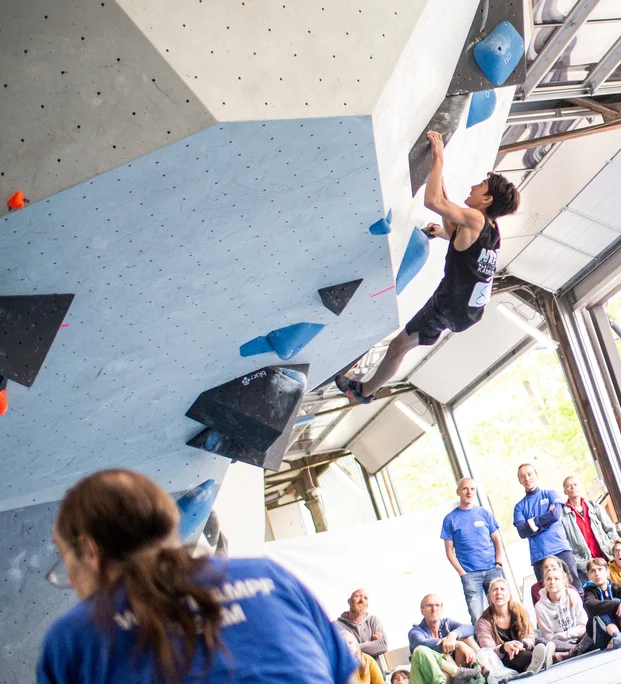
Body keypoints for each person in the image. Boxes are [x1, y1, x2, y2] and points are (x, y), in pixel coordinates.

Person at [37, 469, 358, 684]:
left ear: (90, 551)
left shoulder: (75, 637)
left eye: (65, 559)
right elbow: (345, 676)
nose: (71, 580)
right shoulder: (270, 576)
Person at [335, 131, 519, 403]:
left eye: (480, 186)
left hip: (450, 303)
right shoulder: (491, 230)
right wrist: (440, 225)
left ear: (487, 199)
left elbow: (434, 202)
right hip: (467, 310)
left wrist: (438, 159)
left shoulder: (476, 219)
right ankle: (365, 390)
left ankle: (364, 390)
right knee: (402, 346)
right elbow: (453, 228)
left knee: (398, 346)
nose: (473, 187)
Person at [441, 478, 504, 623]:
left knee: (501, 610)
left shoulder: (484, 513)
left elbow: (497, 541)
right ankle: (486, 645)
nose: (469, 492)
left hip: (492, 570)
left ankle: (507, 643)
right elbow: (449, 552)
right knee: (478, 616)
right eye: (465, 489)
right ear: (458, 492)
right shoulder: (450, 519)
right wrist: (463, 573)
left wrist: (498, 564)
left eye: (472, 489)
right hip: (470, 575)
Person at [512, 464, 580, 589]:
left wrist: (533, 523)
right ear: (520, 480)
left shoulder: (550, 494)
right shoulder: (519, 507)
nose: (527, 478)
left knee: (574, 588)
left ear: (536, 475)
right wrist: (545, 521)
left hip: (561, 549)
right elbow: (522, 532)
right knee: (546, 594)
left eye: (529, 474)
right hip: (539, 556)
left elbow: (555, 515)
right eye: (522, 476)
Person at [475, 578, 554, 675]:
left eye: (502, 589)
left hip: (525, 648)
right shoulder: (484, 622)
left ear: (509, 595)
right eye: (495, 590)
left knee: (542, 643)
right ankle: (552, 657)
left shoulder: (520, 610)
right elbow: (489, 652)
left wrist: (522, 644)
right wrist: (504, 647)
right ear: (489, 596)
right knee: (526, 655)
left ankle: (540, 662)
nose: (498, 592)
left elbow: (530, 635)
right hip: (504, 660)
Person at [561, 476, 617, 581]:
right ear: (565, 491)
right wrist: (577, 562)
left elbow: (611, 530)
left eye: (575, 485)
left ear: (580, 486)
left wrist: (611, 548)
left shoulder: (594, 507)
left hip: (606, 558)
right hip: (585, 565)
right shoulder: (563, 516)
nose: (572, 488)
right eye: (569, 486)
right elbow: (565, 544)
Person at [533, 558, 589, 659]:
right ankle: (578, 650)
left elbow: (583, 624)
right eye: (548, 579)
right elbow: (548, 636)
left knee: (593, 626)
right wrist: (569, 634)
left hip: (581, 637)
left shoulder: (572, 594)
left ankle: (571, 653)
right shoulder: (540, 607)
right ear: (544, 582)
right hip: (560, 644)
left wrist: (570, 634)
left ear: (563, 581)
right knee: (541, 642)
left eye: (556, 579)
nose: (552, 582)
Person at [407, 595, 479, 672]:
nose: (434, 609)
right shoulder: (415, 632)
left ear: (442, 609)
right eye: (429, 606)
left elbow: (470, 628)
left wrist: (453, 634)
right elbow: (423, 644)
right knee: (443, 651)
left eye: (437, 605)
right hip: (433, 671)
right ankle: (459, 677)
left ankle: (485, 667)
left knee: (466, 637)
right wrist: (458, 644)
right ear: (422, 610)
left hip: (456, 665)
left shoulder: (447, 623)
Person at [581, 559, 621, 651]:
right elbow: (590, 605)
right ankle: (616, 635)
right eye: (593, 571)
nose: (597, 573)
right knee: (601, 610)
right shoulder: (589, 592)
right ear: (588, 576)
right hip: (602, 635)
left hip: (620, 628)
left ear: (607, 572)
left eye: (600, 569)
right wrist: (616, 603)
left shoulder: (615, 586)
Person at [337, 589, 389, 670]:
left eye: (365, 598)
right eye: (357, 596)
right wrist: (372, 644)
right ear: (349, 601)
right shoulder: (336, 626)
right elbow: (341, 651)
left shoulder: (373, 620)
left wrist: (352, 646)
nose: (362, 600)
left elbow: (383, 645)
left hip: (376, 677)